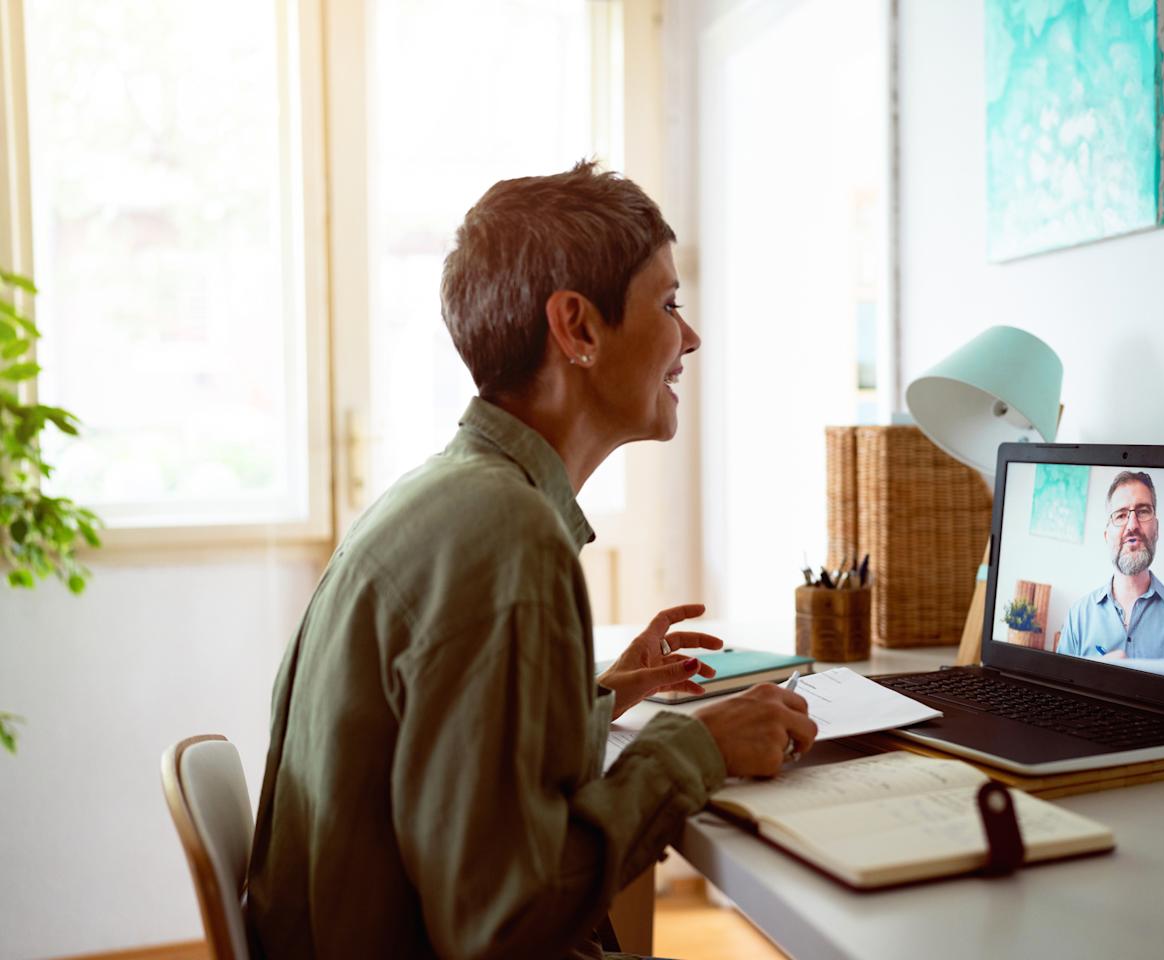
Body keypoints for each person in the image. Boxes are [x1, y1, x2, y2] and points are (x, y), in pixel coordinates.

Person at [245, 161, 818, 959]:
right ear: (578, 328)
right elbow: (503, 924)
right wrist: (698, 747)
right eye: (669, 303)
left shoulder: (449, 495)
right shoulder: (509, 537)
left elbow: (444, 773)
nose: (689, 337)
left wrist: (592, 701)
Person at [1056, 471, 1164, 685]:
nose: (1132, 525)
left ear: (1156, 529)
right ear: (1107, 536)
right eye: (1121, 515)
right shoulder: (1078, 617)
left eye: (1142, 511)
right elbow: (1059, 697)